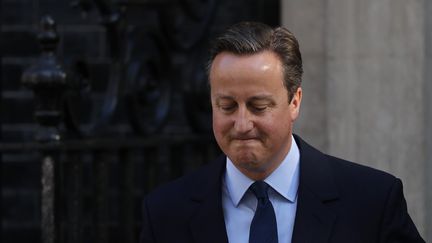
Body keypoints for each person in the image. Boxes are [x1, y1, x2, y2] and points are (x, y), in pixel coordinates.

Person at [139, 21, 425, 243]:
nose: (241, 124)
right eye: (227, 106)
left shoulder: (371, 202)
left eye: (258, 106)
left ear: (295, 102)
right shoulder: (166, 212)